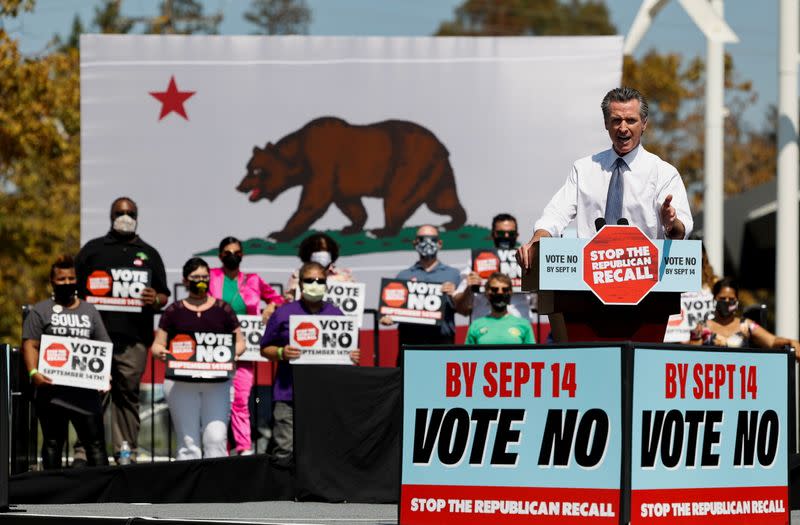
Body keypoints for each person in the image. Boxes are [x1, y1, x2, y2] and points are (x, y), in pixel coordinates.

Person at [518, 87, 693, 270]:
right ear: (606, 123)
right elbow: (555, 215)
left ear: (644, 124)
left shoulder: (663, 173)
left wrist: (671, 225)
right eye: (616, 120)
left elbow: (682, 231)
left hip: (645, 278)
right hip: (588, 279)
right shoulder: (584, 169)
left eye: (631, 121)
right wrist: (538, 239)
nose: (623, 128)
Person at [74, 197, 170, 463]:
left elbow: (164, 296)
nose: (124, 216)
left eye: (130, 213)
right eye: (119, 212)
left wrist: (156, 299)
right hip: (93, 340)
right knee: (92, 394)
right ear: (110, 215)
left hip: (134, 340)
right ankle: (85, 451)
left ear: (137, 216)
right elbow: (74, 290)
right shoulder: (93, 250)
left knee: (127, 396)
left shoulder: (149, 253)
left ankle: (125, 451)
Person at [260, 262, 360, 468]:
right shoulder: (283, 313)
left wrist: (351, 355)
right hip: (288, 394)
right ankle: (282, 496)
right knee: (285, 450)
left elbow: (345, 353)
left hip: (324, 394)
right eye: (310, 280)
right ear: (300, 283)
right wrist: (281, 352)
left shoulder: (336, 314)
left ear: (326, 284)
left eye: (320, 281)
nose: (315, 284)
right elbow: (265, 348)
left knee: (321, 447)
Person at [22, 255, 111, 469]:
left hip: (86, 392)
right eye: (61, 279)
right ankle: (51, 495)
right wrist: (34, 374)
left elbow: (104, 345)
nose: (67, 283)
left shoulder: (89, 310)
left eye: (71, 278)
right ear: (52, 282)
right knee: (53, 444)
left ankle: (104, 496)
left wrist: (105, 375)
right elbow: (30, 345)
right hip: (53, 392)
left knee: (96, 445)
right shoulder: (40, 311)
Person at [152, 257, 245, 460]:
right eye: (195, 277)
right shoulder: (174, 311)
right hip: (181, 384)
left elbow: (240, 342)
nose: (201, 280)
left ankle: (216, 489)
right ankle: (189, 488)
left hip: (217, 382)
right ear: (185, 281)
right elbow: (157, 345)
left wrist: (231, 354)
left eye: (205, 276)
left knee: (216, 438)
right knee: (188, 444)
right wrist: (161, 352)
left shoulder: (223, 309)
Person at [209, 236, 284, 456]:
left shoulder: (253, 279)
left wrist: (270, 307)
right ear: (220, 255)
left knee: (241, 399)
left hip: (245, 350)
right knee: (216, 401)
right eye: (227, 252)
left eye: (237, 252)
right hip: (215, 349)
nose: (232, 255)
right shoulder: (211, 276)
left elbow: (278, 299)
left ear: (242, 255)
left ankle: (243, 447)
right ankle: (219, 446)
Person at [380, 225, 461, 357]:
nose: (427, 243)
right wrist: (389, 317)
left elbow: (464, 309)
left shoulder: (453, 275)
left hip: (442, 342)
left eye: (432, 239)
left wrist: (455, 294)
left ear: (439, 243)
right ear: (415, 243)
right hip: (410, 342)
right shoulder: (403, 276)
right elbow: (395, 309)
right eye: (422, 239)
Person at [453, 213, 532, 319]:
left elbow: (539, 305)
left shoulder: (527, 260)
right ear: (493, 234)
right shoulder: (478, 260)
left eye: (511, 233)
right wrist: (469, 288)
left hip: (519, 328)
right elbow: (460, 308)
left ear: (517, 235)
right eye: (501, 233)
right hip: (484, 327)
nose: (506, 236)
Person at [692, 277, 800, 354]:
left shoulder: (746, 325)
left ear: (737, 301)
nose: (727, 301)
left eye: (731, 299)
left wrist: (791, 341)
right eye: (722, 298)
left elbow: (771, 341)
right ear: (714, 299)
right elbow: (689, 350)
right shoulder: (703, 326)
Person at [465, 272, 535, 345]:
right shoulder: (475, 325)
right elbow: (467, 355)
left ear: (511, 293)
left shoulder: (524, 325)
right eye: (495, 289)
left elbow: (532, 355)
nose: (500, 293)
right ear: (487, 292)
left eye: (505, 290)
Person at [285, 233, 353, 300]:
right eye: (317, 250)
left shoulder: (344, 276)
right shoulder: (297, 275)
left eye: (324, 249)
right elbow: (290, 298)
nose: (321, 253)